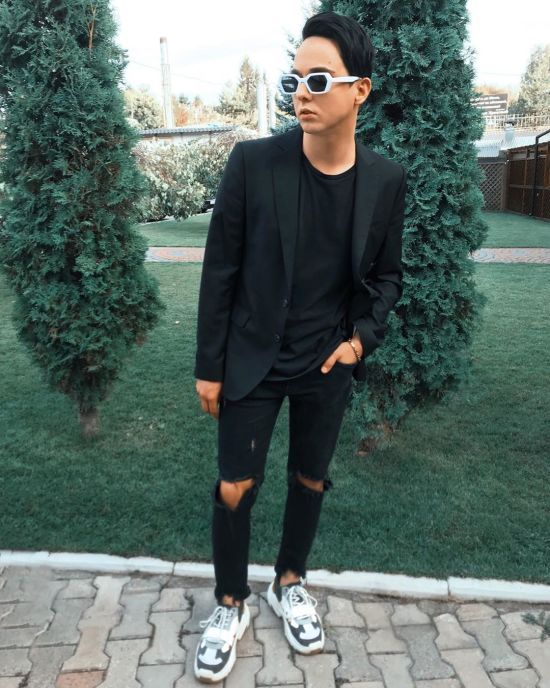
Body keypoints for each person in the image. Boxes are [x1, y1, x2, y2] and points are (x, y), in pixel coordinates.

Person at [193, 9, 408, 683]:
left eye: (318, 79)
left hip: (326, 363)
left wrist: (358, 344)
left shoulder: (385, 181)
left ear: (359, 90)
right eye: (295, 79)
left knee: (310, 480)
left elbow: (388, 277)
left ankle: (290, 581)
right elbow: (220, 271)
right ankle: (230, 602)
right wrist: (208, 367)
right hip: (251, 358)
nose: (301, 93)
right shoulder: (254, 164)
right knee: (234, 487)